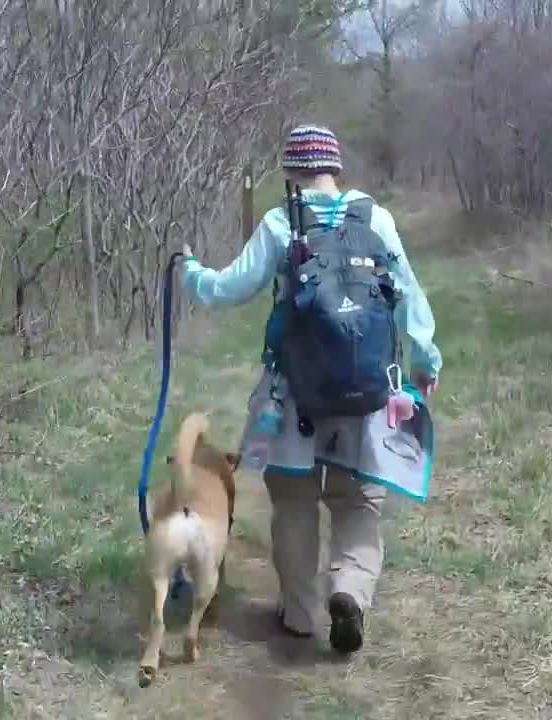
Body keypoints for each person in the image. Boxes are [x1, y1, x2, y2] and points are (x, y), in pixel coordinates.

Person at [180, 124, 442, 654]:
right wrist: (425, 357)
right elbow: (408, 292)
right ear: (335, 166)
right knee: (358, 503)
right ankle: (349, 591)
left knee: (295, 503)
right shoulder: (377, 218)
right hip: (366, 392)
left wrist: (190, 273)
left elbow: (231, 287)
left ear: (291, 171)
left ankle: (299, 616)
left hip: (292, 396)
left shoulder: (282, 223)